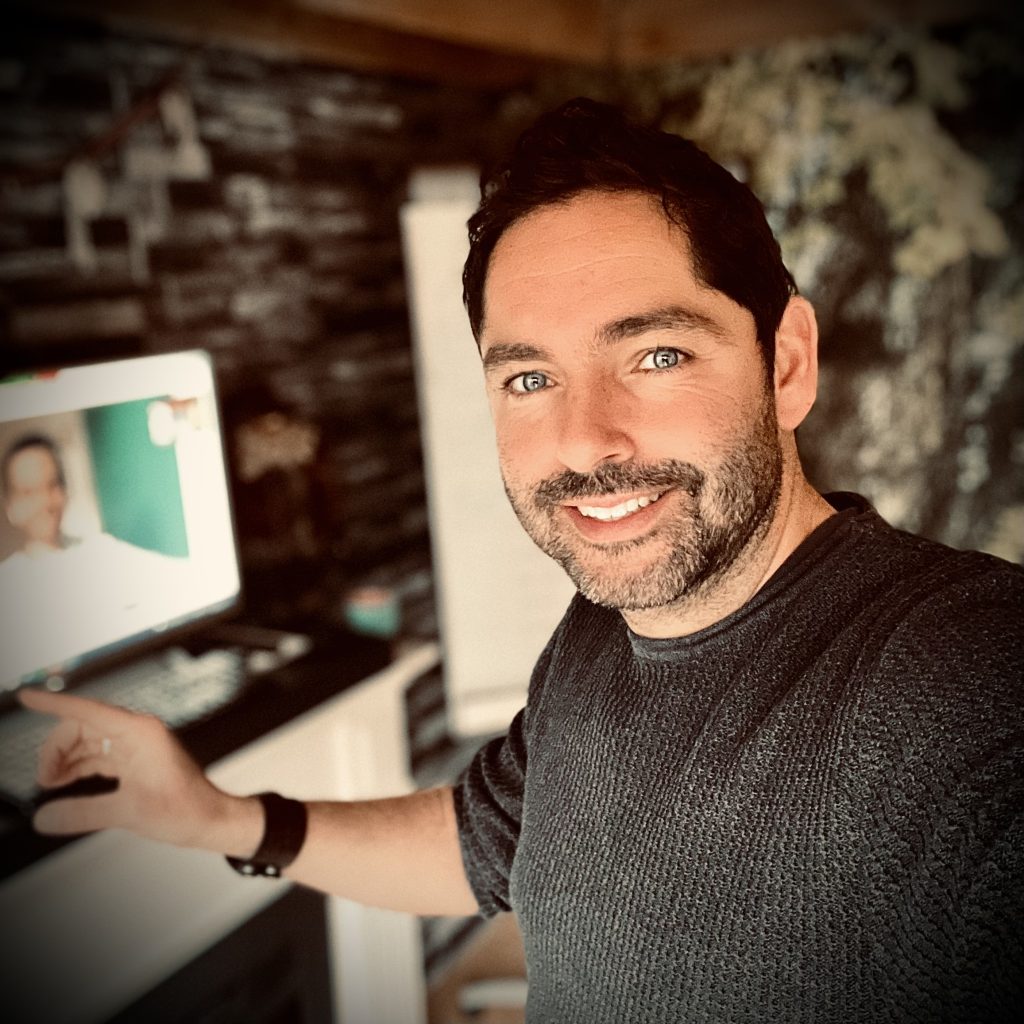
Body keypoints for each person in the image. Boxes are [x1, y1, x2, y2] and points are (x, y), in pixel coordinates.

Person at [19, 99, 1023, 1022]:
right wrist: (221, 820)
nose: (585, 441)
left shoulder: (969, 683)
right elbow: (486, 839)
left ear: (786, 362)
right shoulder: (596, 632)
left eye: (656, 354)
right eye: (531, 378)